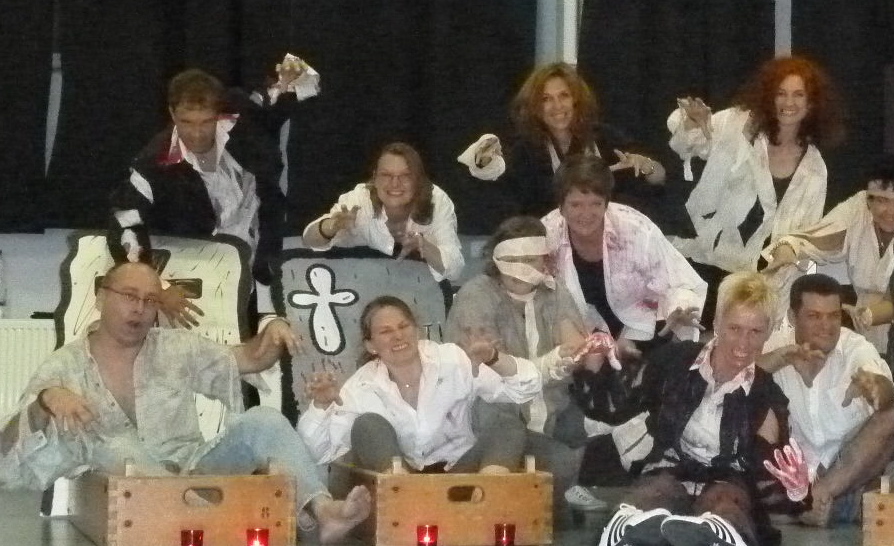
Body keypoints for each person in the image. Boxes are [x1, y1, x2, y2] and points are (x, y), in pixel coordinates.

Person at [0, 261, 370, 543]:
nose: (139, 308)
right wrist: (45, 401)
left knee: (265, 419)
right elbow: (6, 452)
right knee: (118, 447)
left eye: (150, 300)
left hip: (195, 471)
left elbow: (249, 358)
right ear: (101, 297)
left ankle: (325, 512)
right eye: (129, 296)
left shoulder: (176, 348)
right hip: (131, 491)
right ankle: (210, 519)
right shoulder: (65, 366)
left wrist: (271, 331)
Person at [583, 272, 810, 546]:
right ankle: (626, 529)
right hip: (668, 470)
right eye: (735, 328)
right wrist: (600, 368)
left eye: (755, 331)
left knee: (727, 499)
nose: (743, 342)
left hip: (726, 481)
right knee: (656, 491)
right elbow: (615, 408)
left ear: (768, 334)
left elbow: (768, 474)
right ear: (717, 324)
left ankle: (720, 533)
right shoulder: (673, 361)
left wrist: (796, 492)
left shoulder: (766, 396)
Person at [108, 56, 319, 325]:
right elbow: (124, 224)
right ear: (172, 114)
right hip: (201, 264)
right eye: (187, 122)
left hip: (259, 254)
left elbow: (296, 90)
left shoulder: (242, 119)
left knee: (263, 333)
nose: (197, 133)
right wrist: (156, 287)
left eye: (206, 122)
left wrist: (294, 75)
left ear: (218, 114)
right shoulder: (153, 164)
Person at [445, 216, 615, 511]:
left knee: (593, 448)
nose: (522, 268)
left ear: (543, 259)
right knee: (521, 439)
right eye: (514, 260)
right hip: (496, 409)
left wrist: (586, 351)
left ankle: (554, 488)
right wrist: (551, 362)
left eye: (530, 260)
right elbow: (490, 370)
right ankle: (487, 501)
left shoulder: (554, 291)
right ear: (497, 259)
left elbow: (573, 345)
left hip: (551, 406)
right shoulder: (476, 295)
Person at [668, 55, 843, 326]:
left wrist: (789, 252)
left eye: (798, 95)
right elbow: (687, 141)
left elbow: (804, 237)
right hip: (703, 264)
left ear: (811, 103)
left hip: (758, 284)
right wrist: (692, 121)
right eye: (781, 93)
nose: (788, 103)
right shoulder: (739, 123)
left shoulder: (814, 169)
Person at [297, 296, 542, 475]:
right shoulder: (360, 386)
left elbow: (525, 388)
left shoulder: (452, 358)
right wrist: (321, 406)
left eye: (404, 326)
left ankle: (490, 493)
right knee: (367, 425)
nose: (398, 336)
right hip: (402, 481)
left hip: (461, 473)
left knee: (508, 424)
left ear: (416, 330)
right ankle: (402, 494)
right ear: (371, 346)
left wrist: (493, 358)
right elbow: (319, 453)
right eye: (385, 331)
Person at [757, 274, 894, 527]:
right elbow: (734, 377)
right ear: (792, 317)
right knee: (748, 404)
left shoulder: (855, 347)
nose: (826, 326)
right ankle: (813, 508)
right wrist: (781, 359)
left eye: (833, 316)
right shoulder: (777, 346)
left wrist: (874, 387)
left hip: (846, 474)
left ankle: (811, 503)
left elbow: (885, 391)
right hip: (791, 475)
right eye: (814, 316)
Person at [762, 154, 894, 352]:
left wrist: (868, 315)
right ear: (868, 199)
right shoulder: (856, 211)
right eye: (883, 200)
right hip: (866, 338)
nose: (891, 211)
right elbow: (819, 237)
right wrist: (788, 249)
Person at [458, 62, 678, 228]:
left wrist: (646, 165)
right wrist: (485, 163)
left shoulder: (605, 138)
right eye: (546, 99)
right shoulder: (522, 146)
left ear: (576, 99)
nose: (557, 106)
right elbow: (494, 185)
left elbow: (660, 178)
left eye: (564, 96)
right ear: (535, 106)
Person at [542, 155, 706, 360]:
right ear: (561, 206)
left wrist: (679, 307)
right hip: (578, 328)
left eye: (595, 204)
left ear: (606, 203)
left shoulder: (637, 229)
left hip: (640, 323)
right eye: (576, 205)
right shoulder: (547, 234)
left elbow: (680, 281)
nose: (586, 213)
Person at [302, 142, 464, 284]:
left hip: (418, 281)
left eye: (405, 176)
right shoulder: (360, 200)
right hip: (362, 276)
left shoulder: (438, 201)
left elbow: (455, 270)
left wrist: (425, 246)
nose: (395, 183)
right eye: (386, 175)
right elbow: (309, 240)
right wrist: (330, 226)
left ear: (418, 180)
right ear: (375, 178)